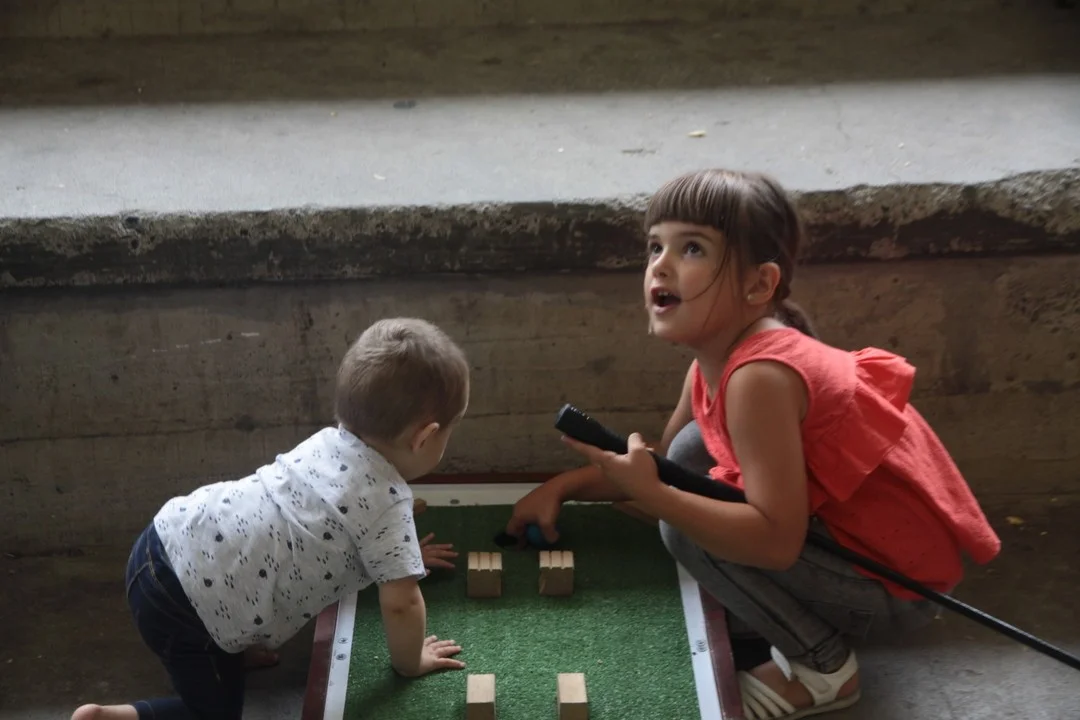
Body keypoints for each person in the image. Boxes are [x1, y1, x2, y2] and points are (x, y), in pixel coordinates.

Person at [506, 170, 1001, 719]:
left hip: (893, 589)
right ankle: (760, 608)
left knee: (683, 529)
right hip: (841, 548)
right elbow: (664, 466)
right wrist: (563, 487)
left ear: (759, 285)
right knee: (690, 453)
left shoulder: (759, 378)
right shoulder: (714, 361)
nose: (660, 266)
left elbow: (775, 542)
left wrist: (660, 499)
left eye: (692, 248)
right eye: (655, 246)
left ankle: (825, 668)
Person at [74, 317, 470, 720]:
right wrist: (411, 662)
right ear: (424, 437)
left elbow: (336, 524)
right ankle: (109, 717)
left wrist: (401, 556)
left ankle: (227, 647)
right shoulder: (387, 504)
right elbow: (401, 604)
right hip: (183, 609)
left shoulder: (328, 442)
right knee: (213, 715)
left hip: (165, 537)